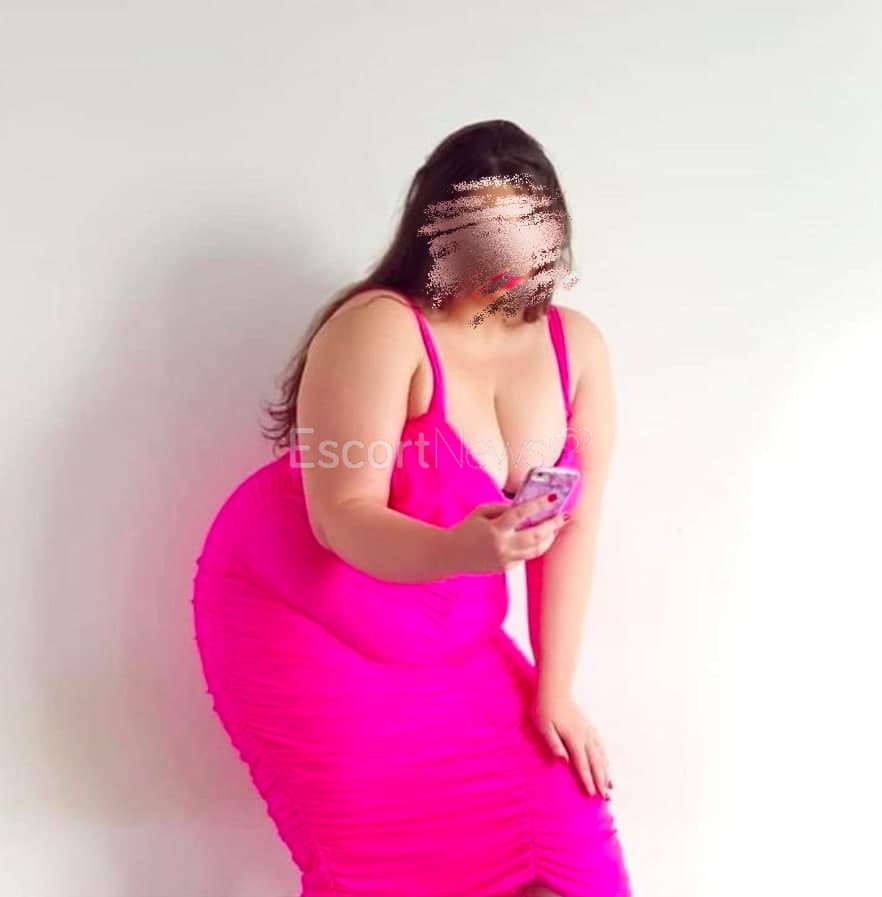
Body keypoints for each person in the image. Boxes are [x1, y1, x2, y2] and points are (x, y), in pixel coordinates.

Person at [192, 119, 632, 897]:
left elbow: (577, 524)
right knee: (383, 872)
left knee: (572, 854)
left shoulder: (578, 347)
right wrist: (463, 550)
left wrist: (554, 689)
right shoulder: (380, 329)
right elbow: (342, 515)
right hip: (306, 614)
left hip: (452, 634)